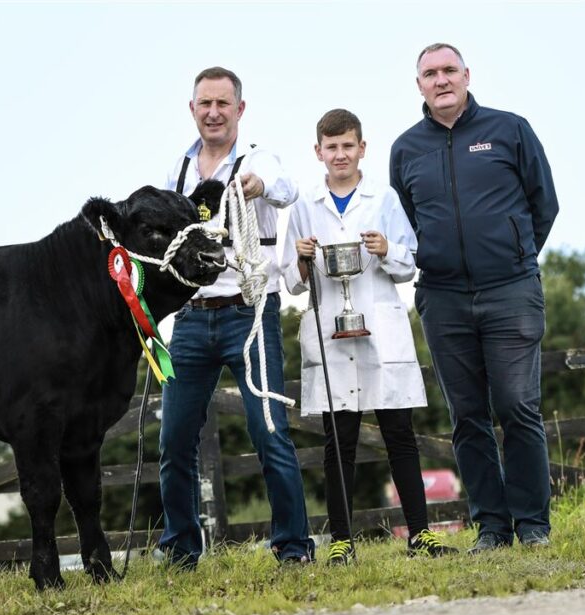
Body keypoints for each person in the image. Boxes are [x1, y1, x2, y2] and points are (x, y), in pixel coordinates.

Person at [389, 43, 559, 553]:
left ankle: (532, 525)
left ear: (467, 75)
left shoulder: (510, 129)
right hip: (442, 298)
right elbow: (406, 225)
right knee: (467, 415)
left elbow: (543, 204)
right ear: (418, 84)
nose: (440, 80)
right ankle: (491, 527)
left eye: (448, 71)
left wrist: (514, 258)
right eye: (429, 74)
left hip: (510, 291)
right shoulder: (405, 149)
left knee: (516, 406)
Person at [280, 108, 458, 564]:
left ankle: (420, 533)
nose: (340, 154)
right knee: (339, 440)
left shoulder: (384, 198)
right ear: (318, 151)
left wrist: (387, 249)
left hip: (380, 325)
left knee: (400, 433)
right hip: (331, 334)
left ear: (362, 148)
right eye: (331, 147)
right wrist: (300, 259)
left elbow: (407, 263)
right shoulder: (304, 205)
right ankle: (341, 538)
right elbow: (293, 282)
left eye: (348, 146)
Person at [157, 66, 314, 567]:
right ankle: (180, 548)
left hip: (249, 311)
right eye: (205, 103)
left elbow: (285, 187)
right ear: (192, 109)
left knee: (269, 431)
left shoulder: (256, 158)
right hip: (190, 318)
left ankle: (293, 546)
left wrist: (256, 184)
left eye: (223, 103)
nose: (213, 112)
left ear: (239, 110)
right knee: (174, 440)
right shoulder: (176, 173)